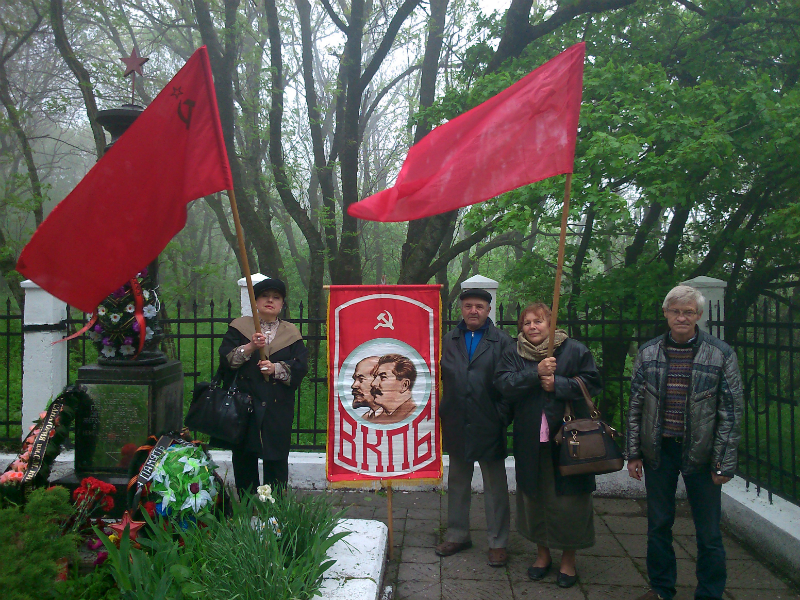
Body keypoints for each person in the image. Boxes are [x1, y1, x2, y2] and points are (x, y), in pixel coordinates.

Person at [627, 286, 743, 600]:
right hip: (659, 451)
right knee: (658, 525)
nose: (681, 317)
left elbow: (731, 412)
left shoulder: (720, 354)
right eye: (676, 311)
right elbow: (635, 405)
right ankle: (661, 589)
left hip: (703, 454)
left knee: (709, 532)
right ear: (666, 313)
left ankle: (710, 593)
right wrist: (633, 452)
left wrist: (723, 462)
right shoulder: (648, 353)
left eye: (688, 312)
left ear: (699, 315)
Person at [494, 303, 601, 588]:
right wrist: (535, 373)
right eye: (527, 322)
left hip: (568, 441)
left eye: (539, 321)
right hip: (531, 440)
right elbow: (503, 385)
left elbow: (593, 383)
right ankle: (542, 556)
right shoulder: (513, 353)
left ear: (550, 324)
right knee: (535, 498)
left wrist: (560, 384)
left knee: (570, 502)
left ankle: (568, 560)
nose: (532, 326)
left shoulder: (574, 350)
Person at [436, 288, 514, 567]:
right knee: (457, 481)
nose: (473, 311)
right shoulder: (450, 339)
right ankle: (457, 535)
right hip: (456, 420)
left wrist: (501, 416)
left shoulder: (502, 341)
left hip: (489, 421)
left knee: (495, 486)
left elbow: (510, 382)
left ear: (488, 310)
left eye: (479, 306)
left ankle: (498, 542)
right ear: (461, 309)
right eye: (468, 306)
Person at [217, 277, 308, 495]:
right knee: (244, 458)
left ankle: (274, 507)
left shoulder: (291, 333)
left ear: (282, 304)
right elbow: (227, 362)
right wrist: (249, 347)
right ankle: (248, 505)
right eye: (265, 296)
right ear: (255, 301)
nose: (270, 301)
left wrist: (276, 368)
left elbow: (301, 366)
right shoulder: (239, 328)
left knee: (276, 458)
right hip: (245, 405)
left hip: (277, 407)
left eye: (276, 297)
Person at [366, 353, 417, 424]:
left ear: (404, 385)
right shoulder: (376, 418)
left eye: (383, 377)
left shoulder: (413, 414)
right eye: (375, 377)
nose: (373, 383)